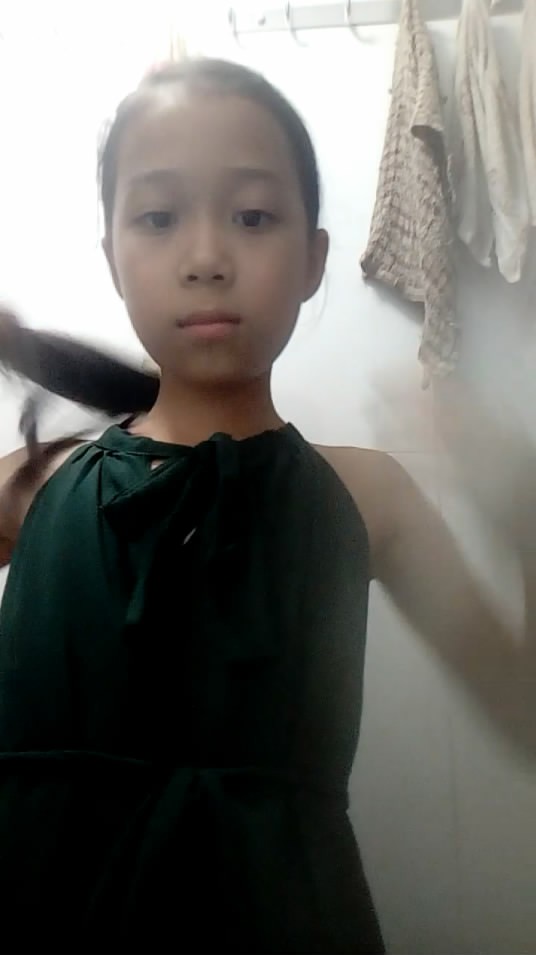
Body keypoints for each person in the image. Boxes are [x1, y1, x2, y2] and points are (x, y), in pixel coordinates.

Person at [0, 58, 534, 955]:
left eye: (252, 216)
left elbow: (522, 710)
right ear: (112, 258)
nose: (207, 258)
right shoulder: (33, 488)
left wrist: (523, 515)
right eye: (158, 217)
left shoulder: (368, 499)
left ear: (314, 260)